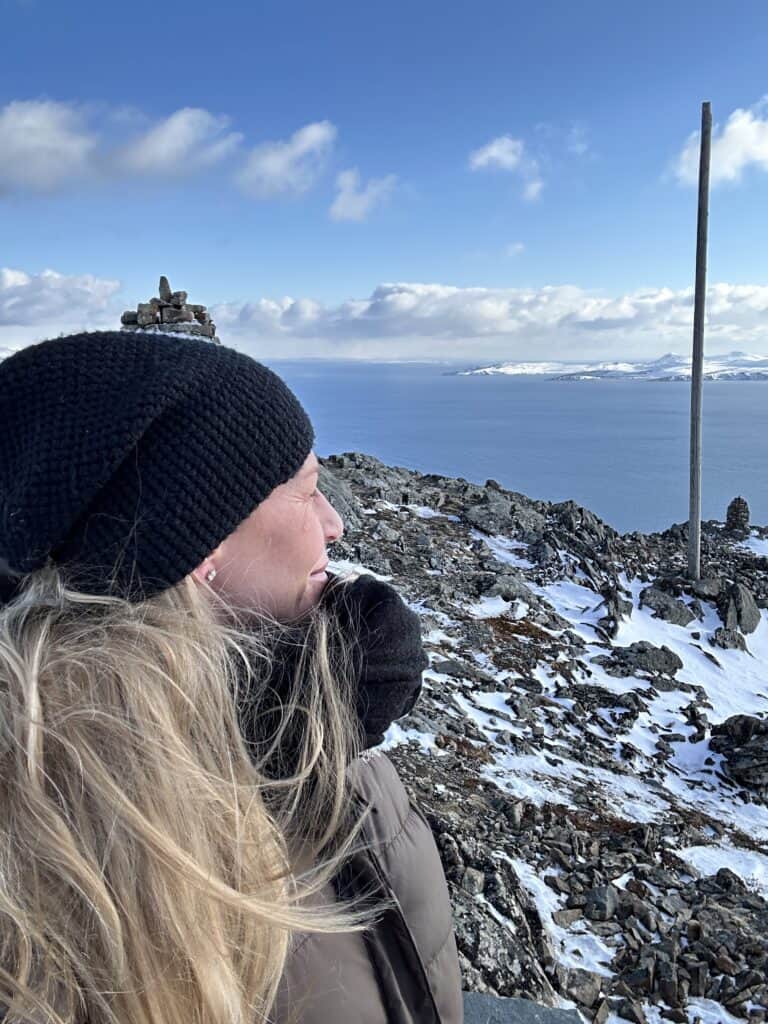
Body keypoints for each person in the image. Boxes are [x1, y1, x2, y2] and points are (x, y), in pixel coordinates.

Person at [0, 330, 463, 1024]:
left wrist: (311, 729)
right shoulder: (61, 857)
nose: (334, 524)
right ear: (196, 541)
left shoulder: (313, 733)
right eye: (307, 493)